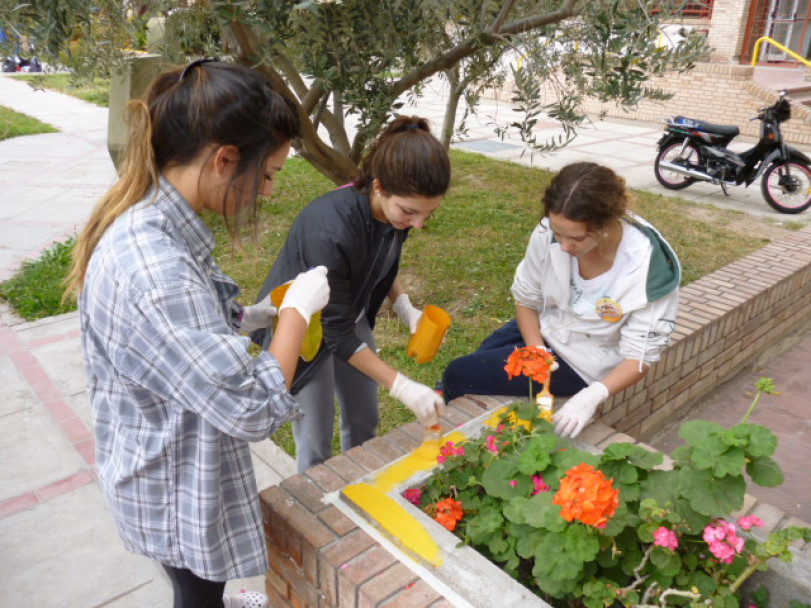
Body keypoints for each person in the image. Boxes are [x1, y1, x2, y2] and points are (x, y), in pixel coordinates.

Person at [64, 60, 330, 608]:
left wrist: (257, 315)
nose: (272, 191)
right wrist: (297, 315)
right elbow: (253, 406)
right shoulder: (155, 270)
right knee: (196, 592)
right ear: (224, 159)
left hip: (165, 456)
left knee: (199, 588)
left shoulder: (153, 221)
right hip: (172, 486)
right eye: (270, 172)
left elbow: (197, 333)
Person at [253, 116, 451, 472]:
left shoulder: (396, 215)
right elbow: (336, 333)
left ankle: (359, 489)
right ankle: (316, 514)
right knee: (315, 439)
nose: (418, 224)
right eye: (410, 212)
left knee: (364, 418)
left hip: (347, 316)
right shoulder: (330, 229)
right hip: (305, 330)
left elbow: (385, 258)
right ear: (378, 186)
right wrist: (402, 385)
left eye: (428, 214)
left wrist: (404, 305)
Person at [441, 162, 680, 439]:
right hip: (548, 326)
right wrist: (537, 352)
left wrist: (592, 396)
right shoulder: (549, 233)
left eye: (576, 238)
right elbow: (526, 298)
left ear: (606, 224)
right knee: (479, 359)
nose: (563, 246)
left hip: (584, 359)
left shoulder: (648, 267)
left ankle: (457, 441)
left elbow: (639, 357)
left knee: (459, 374)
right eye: (558, 233)